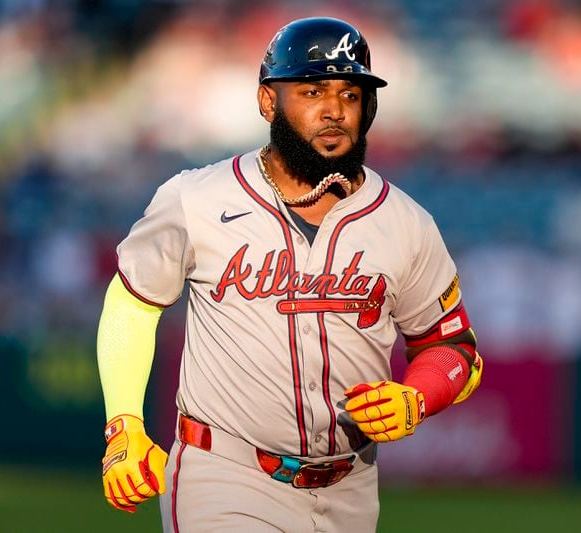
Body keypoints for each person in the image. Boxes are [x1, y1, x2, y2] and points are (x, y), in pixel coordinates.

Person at [97, 16, 483, 532]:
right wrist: (124, 422)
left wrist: (417, 397)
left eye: (351, 93)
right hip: (226, 473)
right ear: (267, 101)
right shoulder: (198, 198)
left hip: (351, 485)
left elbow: (453, 347)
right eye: (311, 89)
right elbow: (132, 303)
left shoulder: (405, 222)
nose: (333, 110)